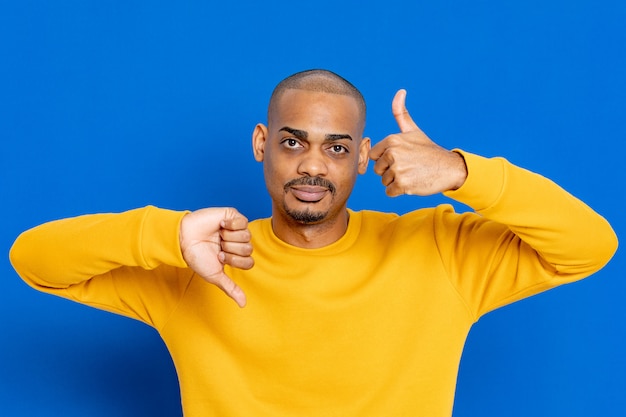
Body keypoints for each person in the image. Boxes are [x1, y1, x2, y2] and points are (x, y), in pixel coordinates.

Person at [10, 69, 618, 417]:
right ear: (260, 143)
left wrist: (463, 173)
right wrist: (165, 232)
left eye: (334, 148)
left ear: (360, 159)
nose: (312, 167)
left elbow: (590, 245)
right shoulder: (200, 258)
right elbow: (33, 261)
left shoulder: (438, 249)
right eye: (293, 141)